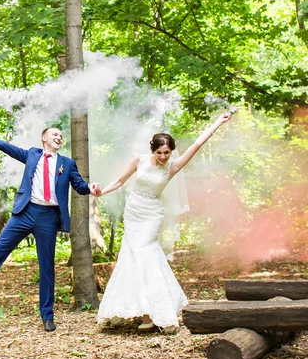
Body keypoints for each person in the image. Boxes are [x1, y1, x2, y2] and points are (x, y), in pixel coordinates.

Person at [0, 127, 101, 333]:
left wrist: (90, 187)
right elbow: (6, 147)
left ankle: (47, 316)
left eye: (61, 136)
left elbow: (80, 186)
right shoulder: (32, 154)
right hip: (24, 212)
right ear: (44, 138)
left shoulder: (67, 163)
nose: (58, 137)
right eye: (54, 134)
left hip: (48, 217)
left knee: (46, 267)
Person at [97, 113, 233, 331]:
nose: (163, 157)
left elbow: (198, 143)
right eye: (159, 152)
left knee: (145, 254)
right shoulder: (138, 160)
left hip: (152, 214)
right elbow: (120, 181)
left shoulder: (173, 167)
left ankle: (150, 315)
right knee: (129, 256)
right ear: (153, 150)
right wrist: (102, 192)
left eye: (167, 152)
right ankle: (123, 307)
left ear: (171, 151)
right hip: (134, 211)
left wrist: (218, 121)